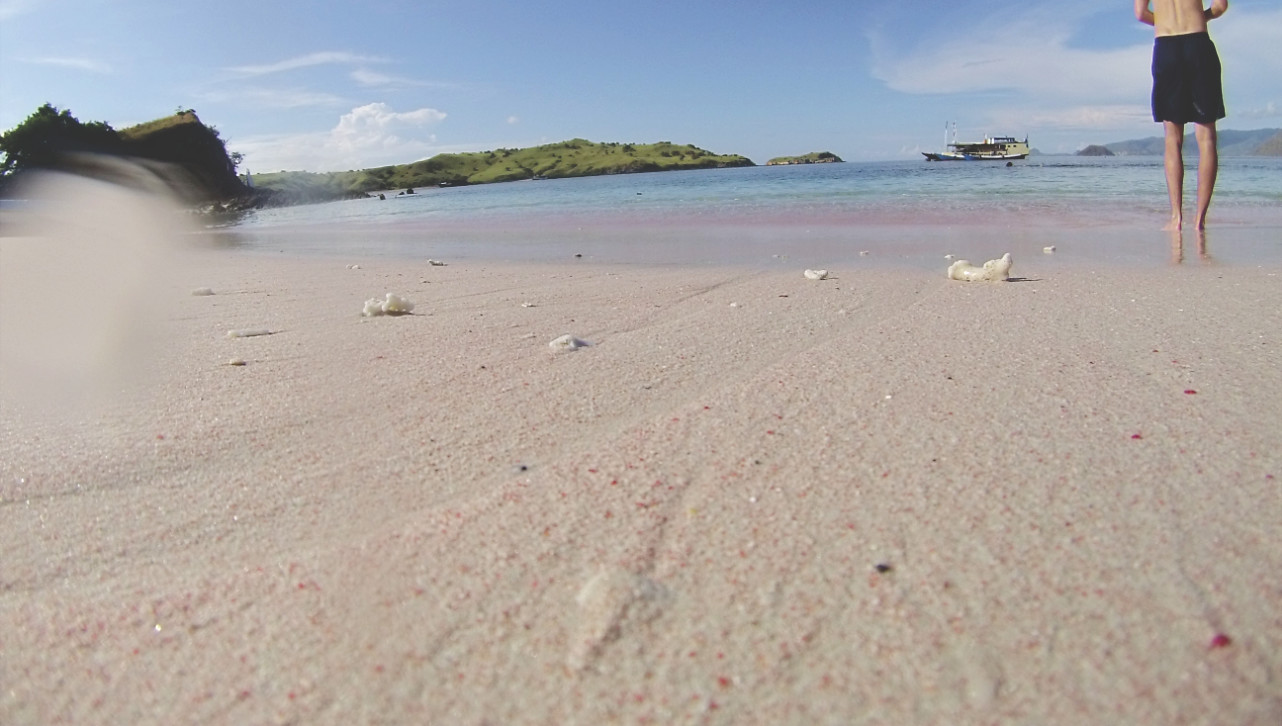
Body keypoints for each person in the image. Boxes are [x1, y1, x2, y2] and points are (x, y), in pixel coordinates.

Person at [1134, 0, 1228, 230]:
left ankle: (1176, 217)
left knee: (1172, 139)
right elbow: (1220, 6)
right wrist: (1201, 16)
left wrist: (1164, 20)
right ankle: (1199, 221)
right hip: (1198, 44)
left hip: (1166, 46)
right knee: (1206, 139)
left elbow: (1140, 14)